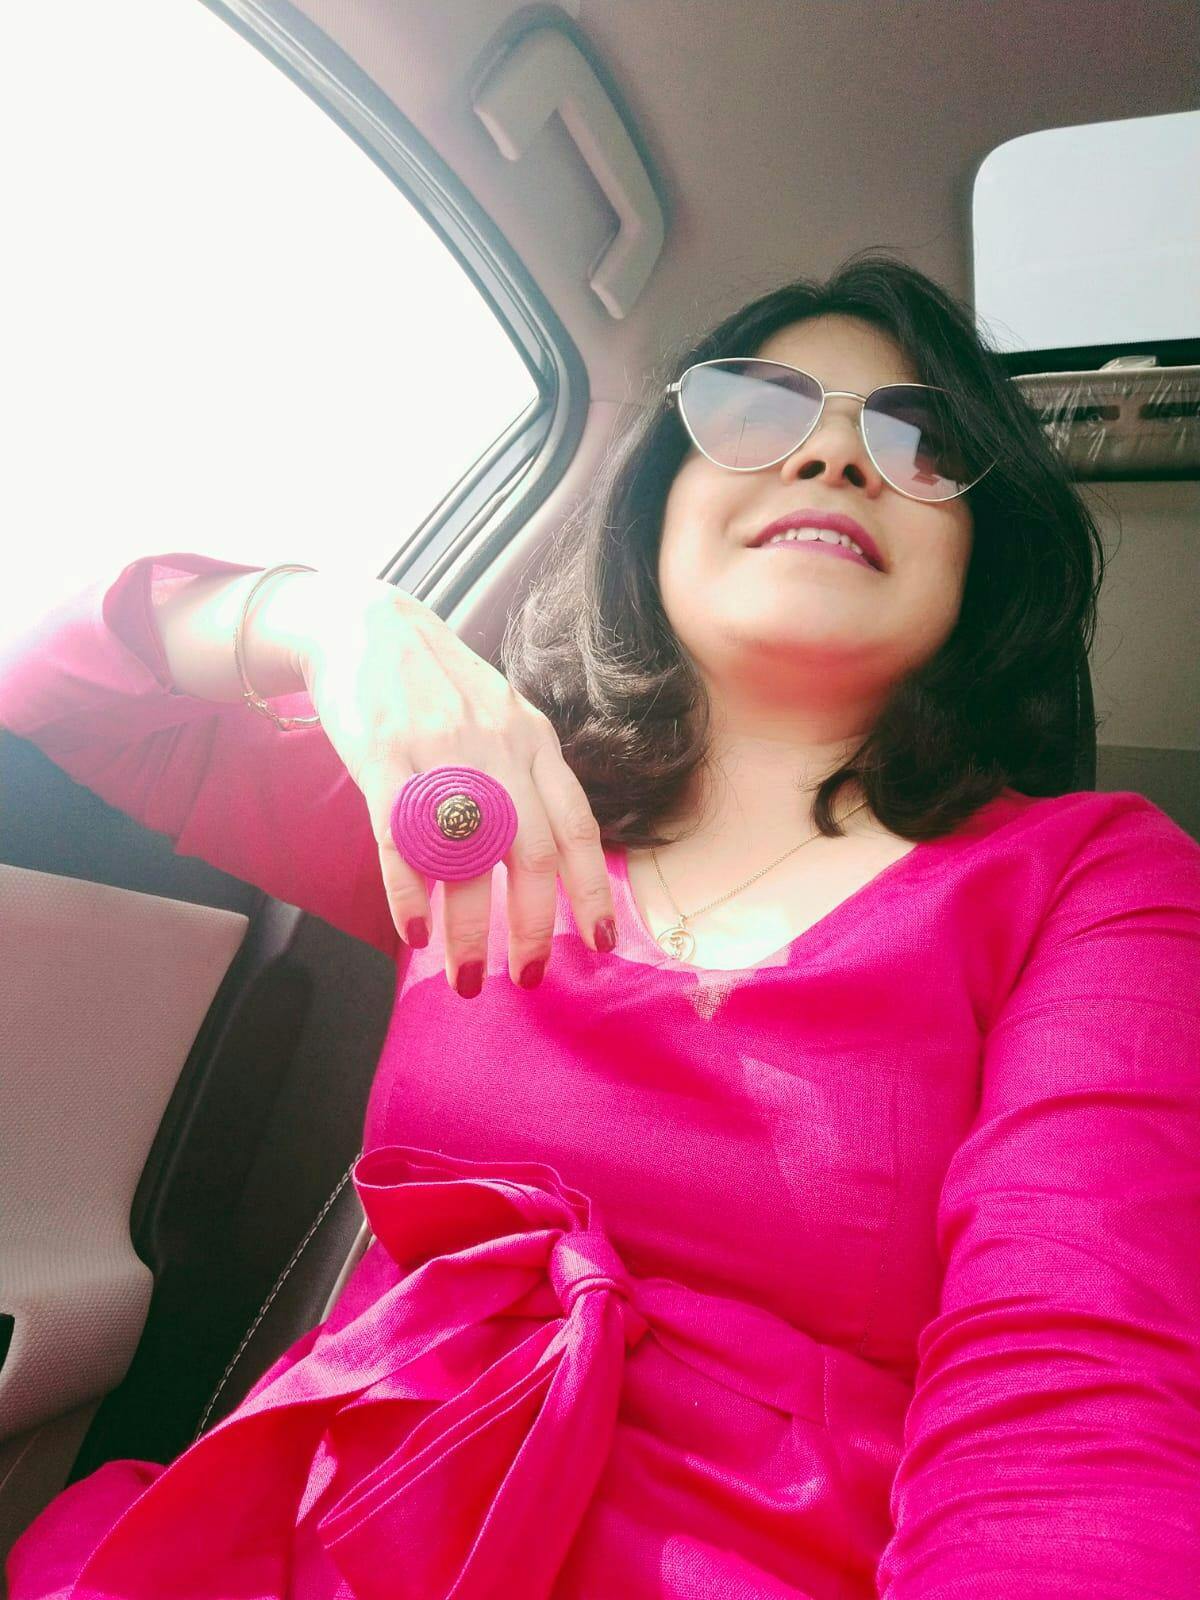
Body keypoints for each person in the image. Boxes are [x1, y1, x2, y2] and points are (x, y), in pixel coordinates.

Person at [2, 249, 1198, 1598]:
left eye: (918, 441)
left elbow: (1074, 1394)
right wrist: (334, 622)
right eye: (759, 412)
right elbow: (53, 689)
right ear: (657, 499)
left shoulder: (1091, 883)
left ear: (985, 557)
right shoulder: (475, 810)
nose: (832, 460)